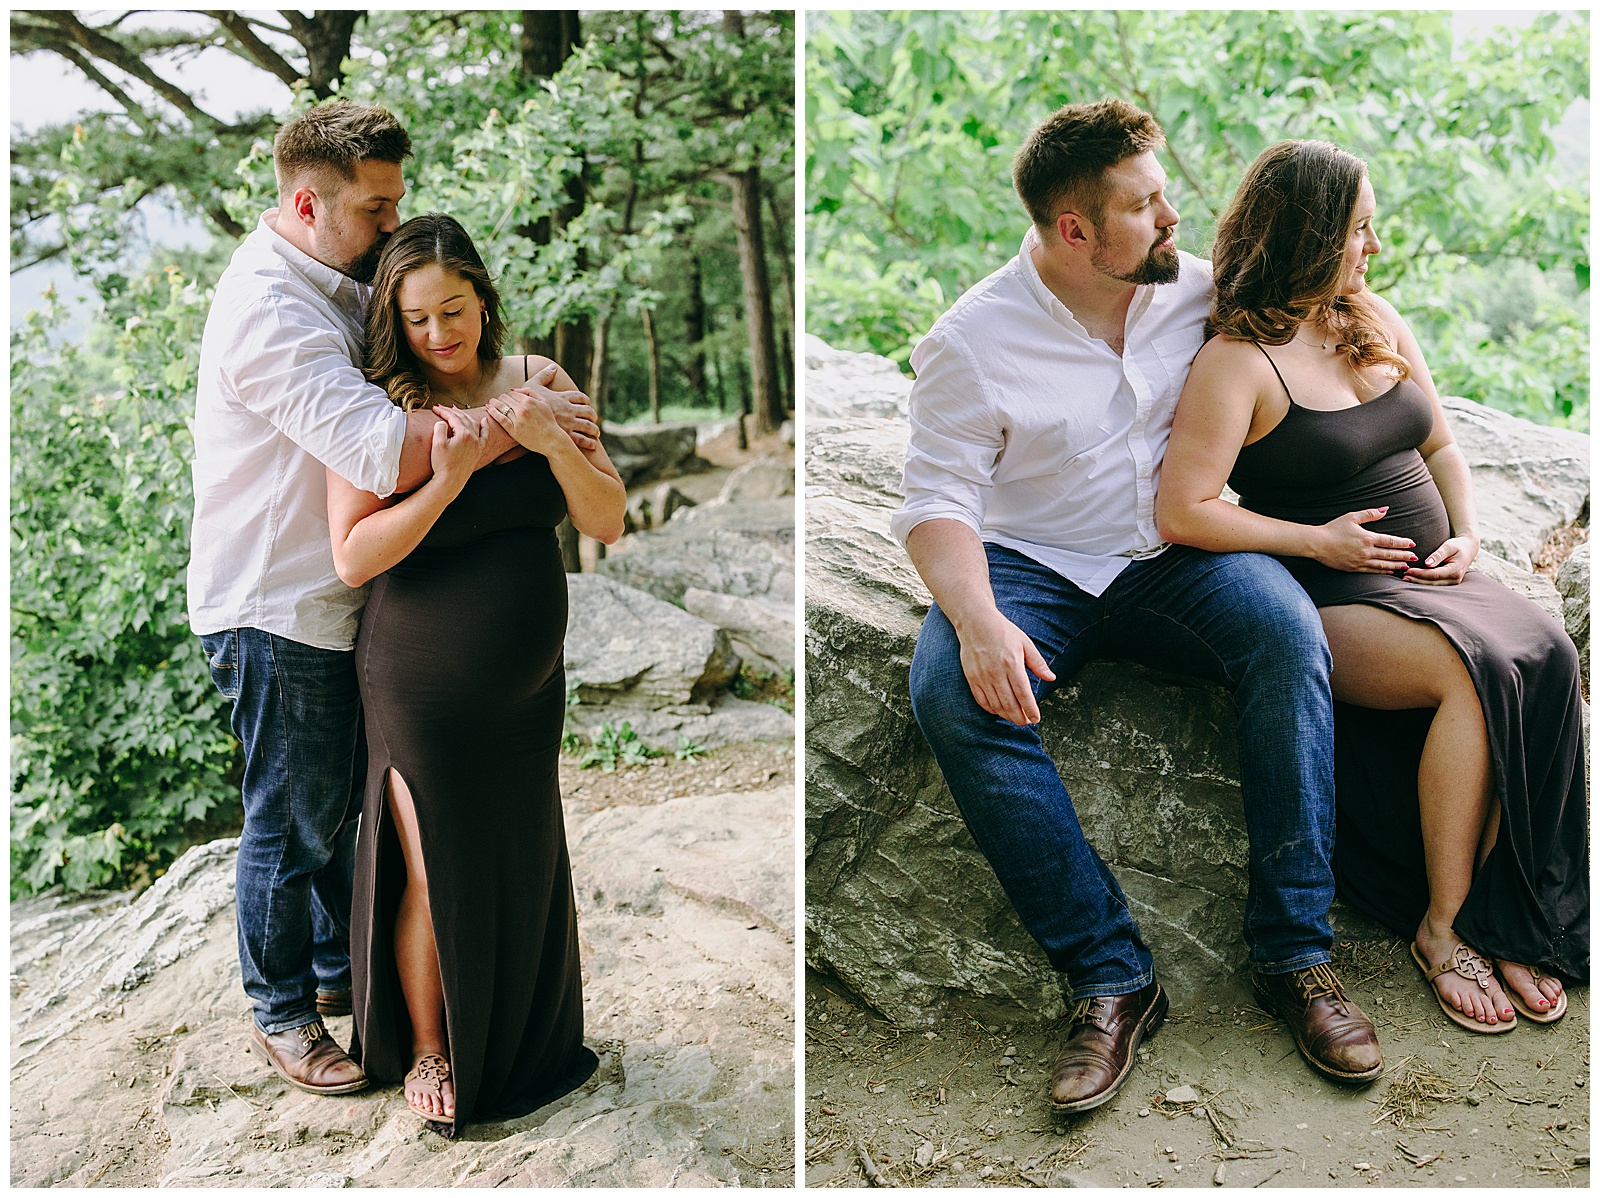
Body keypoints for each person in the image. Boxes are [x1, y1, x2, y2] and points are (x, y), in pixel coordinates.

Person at [892, 98, 1383, 1114]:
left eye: (1165, 195)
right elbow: (935, 503)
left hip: (1174, 557)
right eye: (1147, 205)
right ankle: (1111, 975)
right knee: (948, 690)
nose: (1174, 218)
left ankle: (1294, 955)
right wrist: (979, 620)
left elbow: (1318, 354)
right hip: (1032, 563)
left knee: (1289, 636)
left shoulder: (1198, 295)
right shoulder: (971, 341)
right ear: (1075, 230)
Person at [188, 100, 597, 1098]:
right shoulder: (269, 312)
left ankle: (340, 980)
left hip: (344, 604)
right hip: (275, 599)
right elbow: (382, 446)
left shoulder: (344, 274)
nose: (390, 223)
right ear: (306, 201)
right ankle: (282, 1011)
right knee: (292, 815)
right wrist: (527, 414)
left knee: (339, 812)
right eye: (377, 208)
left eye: (395, 201)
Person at [1157, 139, 1587, 1035]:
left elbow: (1442, 446)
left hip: (1442, 577)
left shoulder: (1372, 316)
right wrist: (1321, 541)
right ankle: (1443, 928)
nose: (1374, 248)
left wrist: (1467, 533)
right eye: (1360, 230)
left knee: (1548, 651)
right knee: (1474, 675)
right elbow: (1185, 510)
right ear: (1310, 234)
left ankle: (1510, 917)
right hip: (1335, 598)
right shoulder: (1238, 361)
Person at [328, 213, 626, 1134]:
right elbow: (354, 555)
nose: (437, 335)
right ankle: (431, 1045)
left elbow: (607, 517)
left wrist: (547, 442)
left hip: (528, 690)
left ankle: (524, 1039)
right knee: (435, 867)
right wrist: (448, 481)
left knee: (520, 854)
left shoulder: (541, 382)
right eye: (417, 319)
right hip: (424, 683)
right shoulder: (380, 409)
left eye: (451, 310)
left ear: (484, 300)